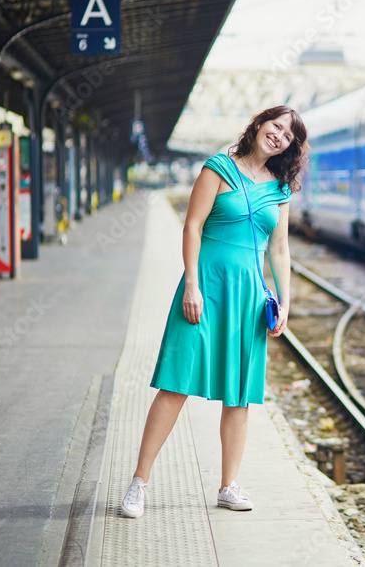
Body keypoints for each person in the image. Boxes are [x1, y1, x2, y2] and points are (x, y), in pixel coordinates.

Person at [120, 106, 308, 518]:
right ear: (259, 125)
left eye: (288, 135)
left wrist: (285, 303)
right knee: (176, 383)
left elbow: (279, 248)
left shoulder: (280, 190)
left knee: (239, 394)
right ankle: (138, 483)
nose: (279, 136)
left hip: (249, 297)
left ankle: (229, 485)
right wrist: (191, 283)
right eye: (275, 126)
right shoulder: (218, 167)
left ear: (290, 146)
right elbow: (192, 225)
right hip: (205, 287)